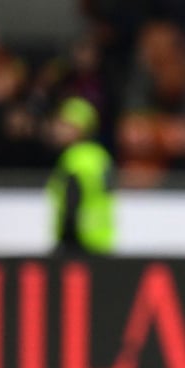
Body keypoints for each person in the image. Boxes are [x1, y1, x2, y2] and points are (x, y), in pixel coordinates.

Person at [46, 96, 116, 255]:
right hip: (101, 240)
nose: (58, 129)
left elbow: (72, 202)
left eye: (65, 125)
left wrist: (64, 241)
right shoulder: (100, 156)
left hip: (79, 244)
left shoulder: (75, 159)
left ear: (80, 129)